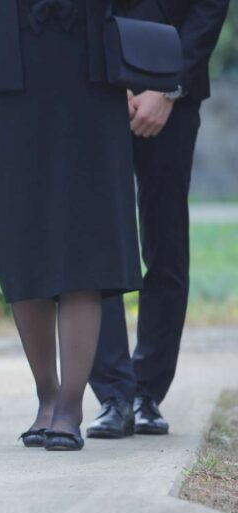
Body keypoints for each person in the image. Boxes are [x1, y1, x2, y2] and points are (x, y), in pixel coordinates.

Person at [0, 0, 143, 452]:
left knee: (85, 244)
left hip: (93, 81)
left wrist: (149, 76)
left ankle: (70, 407)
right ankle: (47, 395)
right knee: (23, 243)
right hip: (14, 86)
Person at [87, 0, 230, 440]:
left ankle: (147, 391)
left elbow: (210, 7)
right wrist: (112, 81)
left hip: (174, 96)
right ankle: (114, 392)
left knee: (165, 244)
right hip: (94, 86)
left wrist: (168, 87)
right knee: (97, 244)